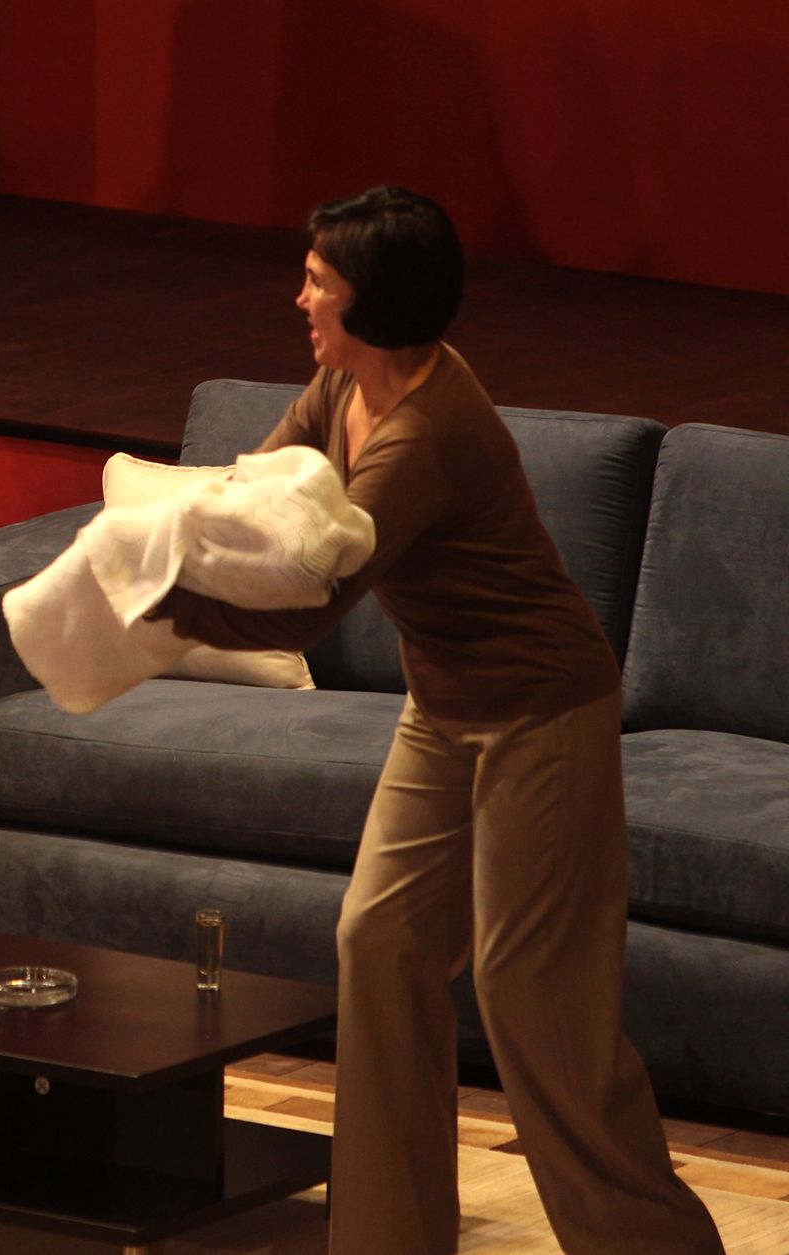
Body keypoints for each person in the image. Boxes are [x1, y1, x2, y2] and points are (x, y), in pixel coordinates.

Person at [149, 186, 724, 1254]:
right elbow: (262, 488)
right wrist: (163, 522)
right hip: (445, 705)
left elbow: (319, 591)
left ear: (374, 303)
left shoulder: (427, 432)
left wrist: (154, 602)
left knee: (532, 997)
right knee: (380, 937)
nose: (300, 298)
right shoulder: (341, 382)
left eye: (318, 283)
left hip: (539, 711)